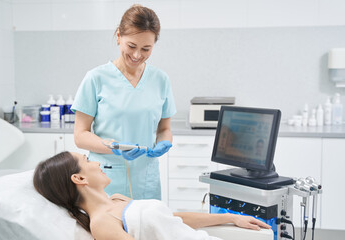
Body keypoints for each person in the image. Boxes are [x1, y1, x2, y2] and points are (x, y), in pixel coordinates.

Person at [33, 151, 272, 240]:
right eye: (87, 161)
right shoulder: (102, 224)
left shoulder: (117, 200)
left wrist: (231, 218)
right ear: (79, 179)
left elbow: (173, 218)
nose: (96, 162)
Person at [71, 4, 176, 200]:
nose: (137, 55)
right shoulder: (96, 78)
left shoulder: (160, 80)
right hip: (105, 177)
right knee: (108, 227)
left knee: (146, 227)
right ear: (119, 37)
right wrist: (112, 146)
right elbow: (80, 135)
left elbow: (164, 128)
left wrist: (164, 142)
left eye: (146, 48)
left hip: (146, 177)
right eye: (131, 46)